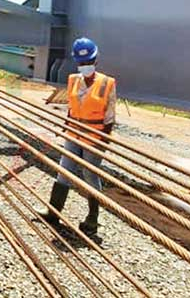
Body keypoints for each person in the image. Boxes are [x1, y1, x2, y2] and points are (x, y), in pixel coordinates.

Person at [36, 37, 116, 236]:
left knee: (90, 174)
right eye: (82, 63)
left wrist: (102, 143)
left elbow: (110, 117)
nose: (85, 66)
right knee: (64, 171)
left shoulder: (107, 83)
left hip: (94, 138)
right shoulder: (73, 80)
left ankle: (92, 219)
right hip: (73, 134)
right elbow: (72, 107)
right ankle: (53, 212)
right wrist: (67, 124)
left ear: (96, 60)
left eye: (88, 62)